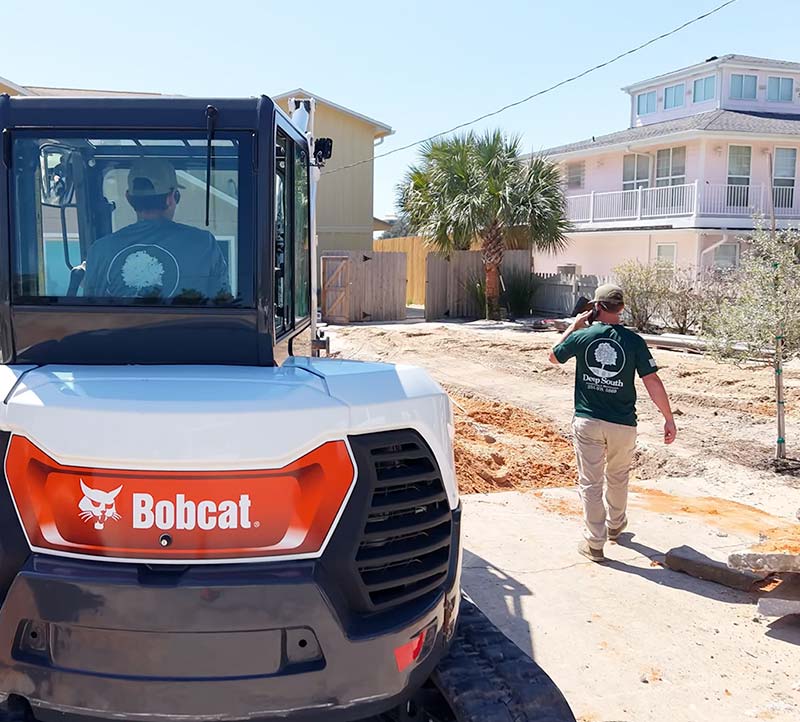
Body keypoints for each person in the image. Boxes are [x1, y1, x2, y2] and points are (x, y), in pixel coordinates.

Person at [548, 283, 676, 562]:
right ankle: (616, 526)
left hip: (588, 421)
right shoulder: (634, 342)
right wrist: (668, 418)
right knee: (618, 476)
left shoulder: (585, 336)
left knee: (591, 483)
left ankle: (595, 543)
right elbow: (652, 380)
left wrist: (574, 327)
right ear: (620, 308)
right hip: (623, 424)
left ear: (597, 306)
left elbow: (554, 357)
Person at [84, 158, 230, 301]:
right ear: (171, 198)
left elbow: (89, 313)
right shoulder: (204, 244)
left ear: (129, 198)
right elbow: (224, 305)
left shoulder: (99, 251)